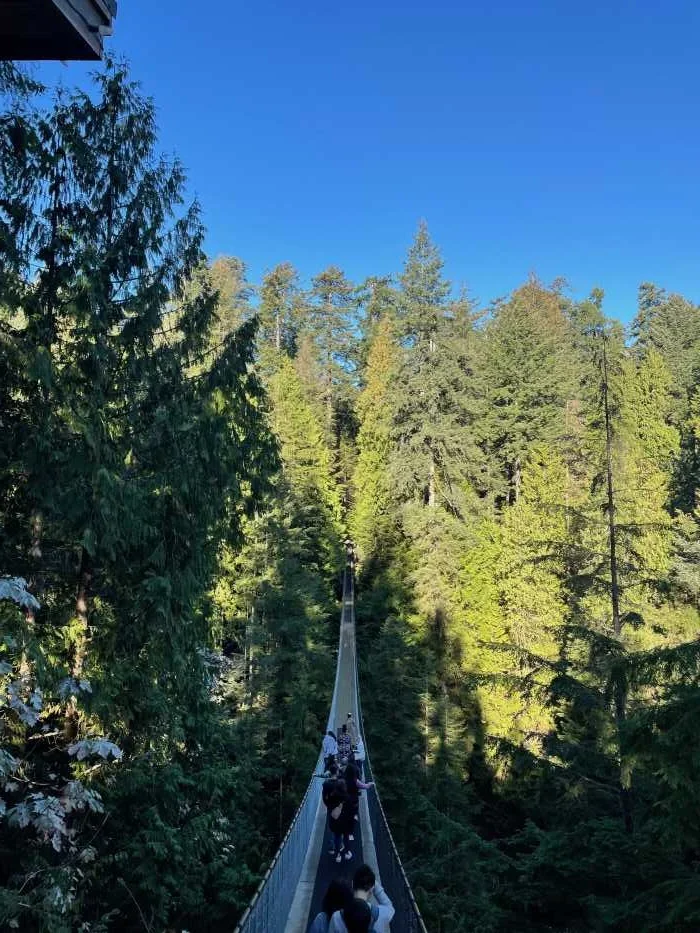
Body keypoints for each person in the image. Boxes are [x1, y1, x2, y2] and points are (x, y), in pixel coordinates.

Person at [329, 864, 395, 933]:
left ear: (352, 884)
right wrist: (375, 885)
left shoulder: (336, 917)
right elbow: (390, 907)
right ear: (372, 887)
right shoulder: (381, 914)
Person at [322, 765, 352, 863]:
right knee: (346, 835)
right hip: (346, 820)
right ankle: (347, 852)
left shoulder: (327, 785)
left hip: (334, 814)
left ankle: (337, 853)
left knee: (336, 835)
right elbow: (350, 810)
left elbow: (324, 798)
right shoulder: (347, 797)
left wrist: (329, 807)